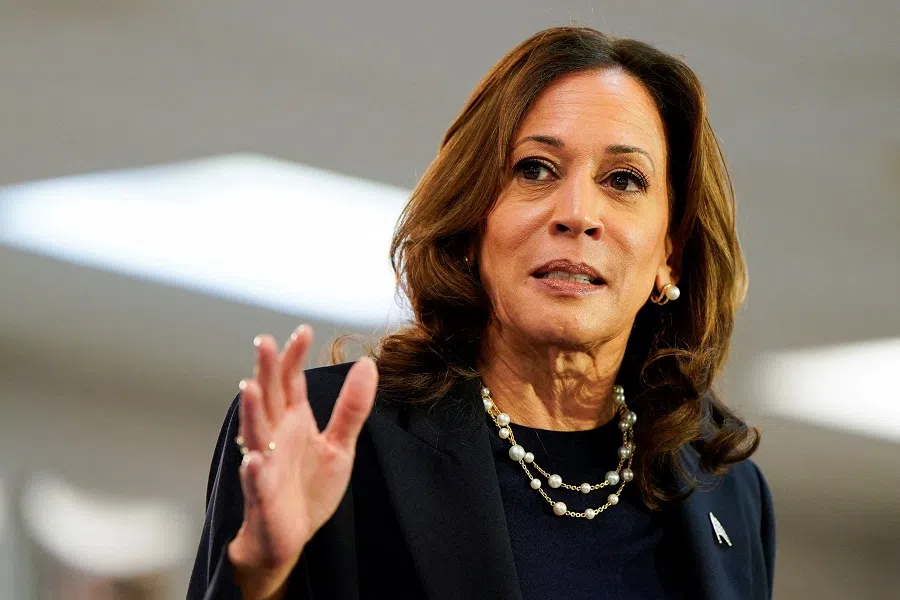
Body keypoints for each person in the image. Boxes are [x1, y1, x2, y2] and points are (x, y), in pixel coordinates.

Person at [187, 26, 775, 600]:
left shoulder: (727, 493)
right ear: (473, 222)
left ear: (669, 254)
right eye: (534, 170)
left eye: (623, 180)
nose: (576, 213)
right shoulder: (327, 435)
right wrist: (257, 578)